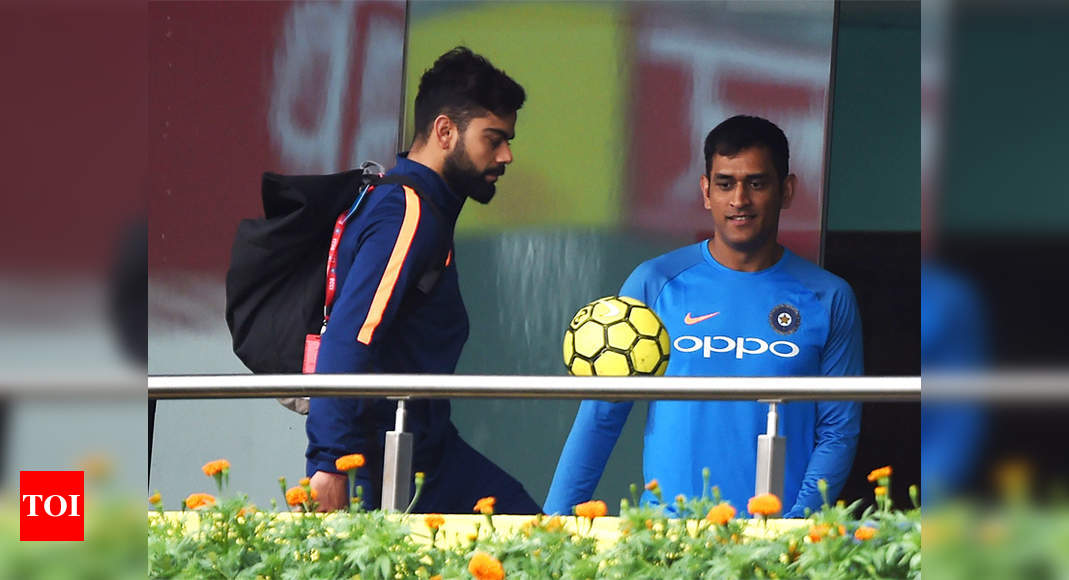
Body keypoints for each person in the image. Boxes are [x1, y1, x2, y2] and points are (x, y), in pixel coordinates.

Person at [544, 115, 864, 518]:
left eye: (757, 183)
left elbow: (837, 430)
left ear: (786, 190)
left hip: (774, 542)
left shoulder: (828, 296)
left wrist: (797, 524)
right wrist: (552, 525)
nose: (739, 200)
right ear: (706, 191)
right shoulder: (655, 282)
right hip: (668, 542)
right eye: (726, 183)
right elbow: (602, 412)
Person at [307, 47, 540, 514]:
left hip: (429, 452)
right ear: (445, 131)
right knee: (541, 547)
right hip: (380, 462)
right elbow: (351, 337)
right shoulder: (406, 212)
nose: (507, 155)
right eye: (493, 139)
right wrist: (330, 465)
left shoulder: (419, 207)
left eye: (508, 139)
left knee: (539, 541)